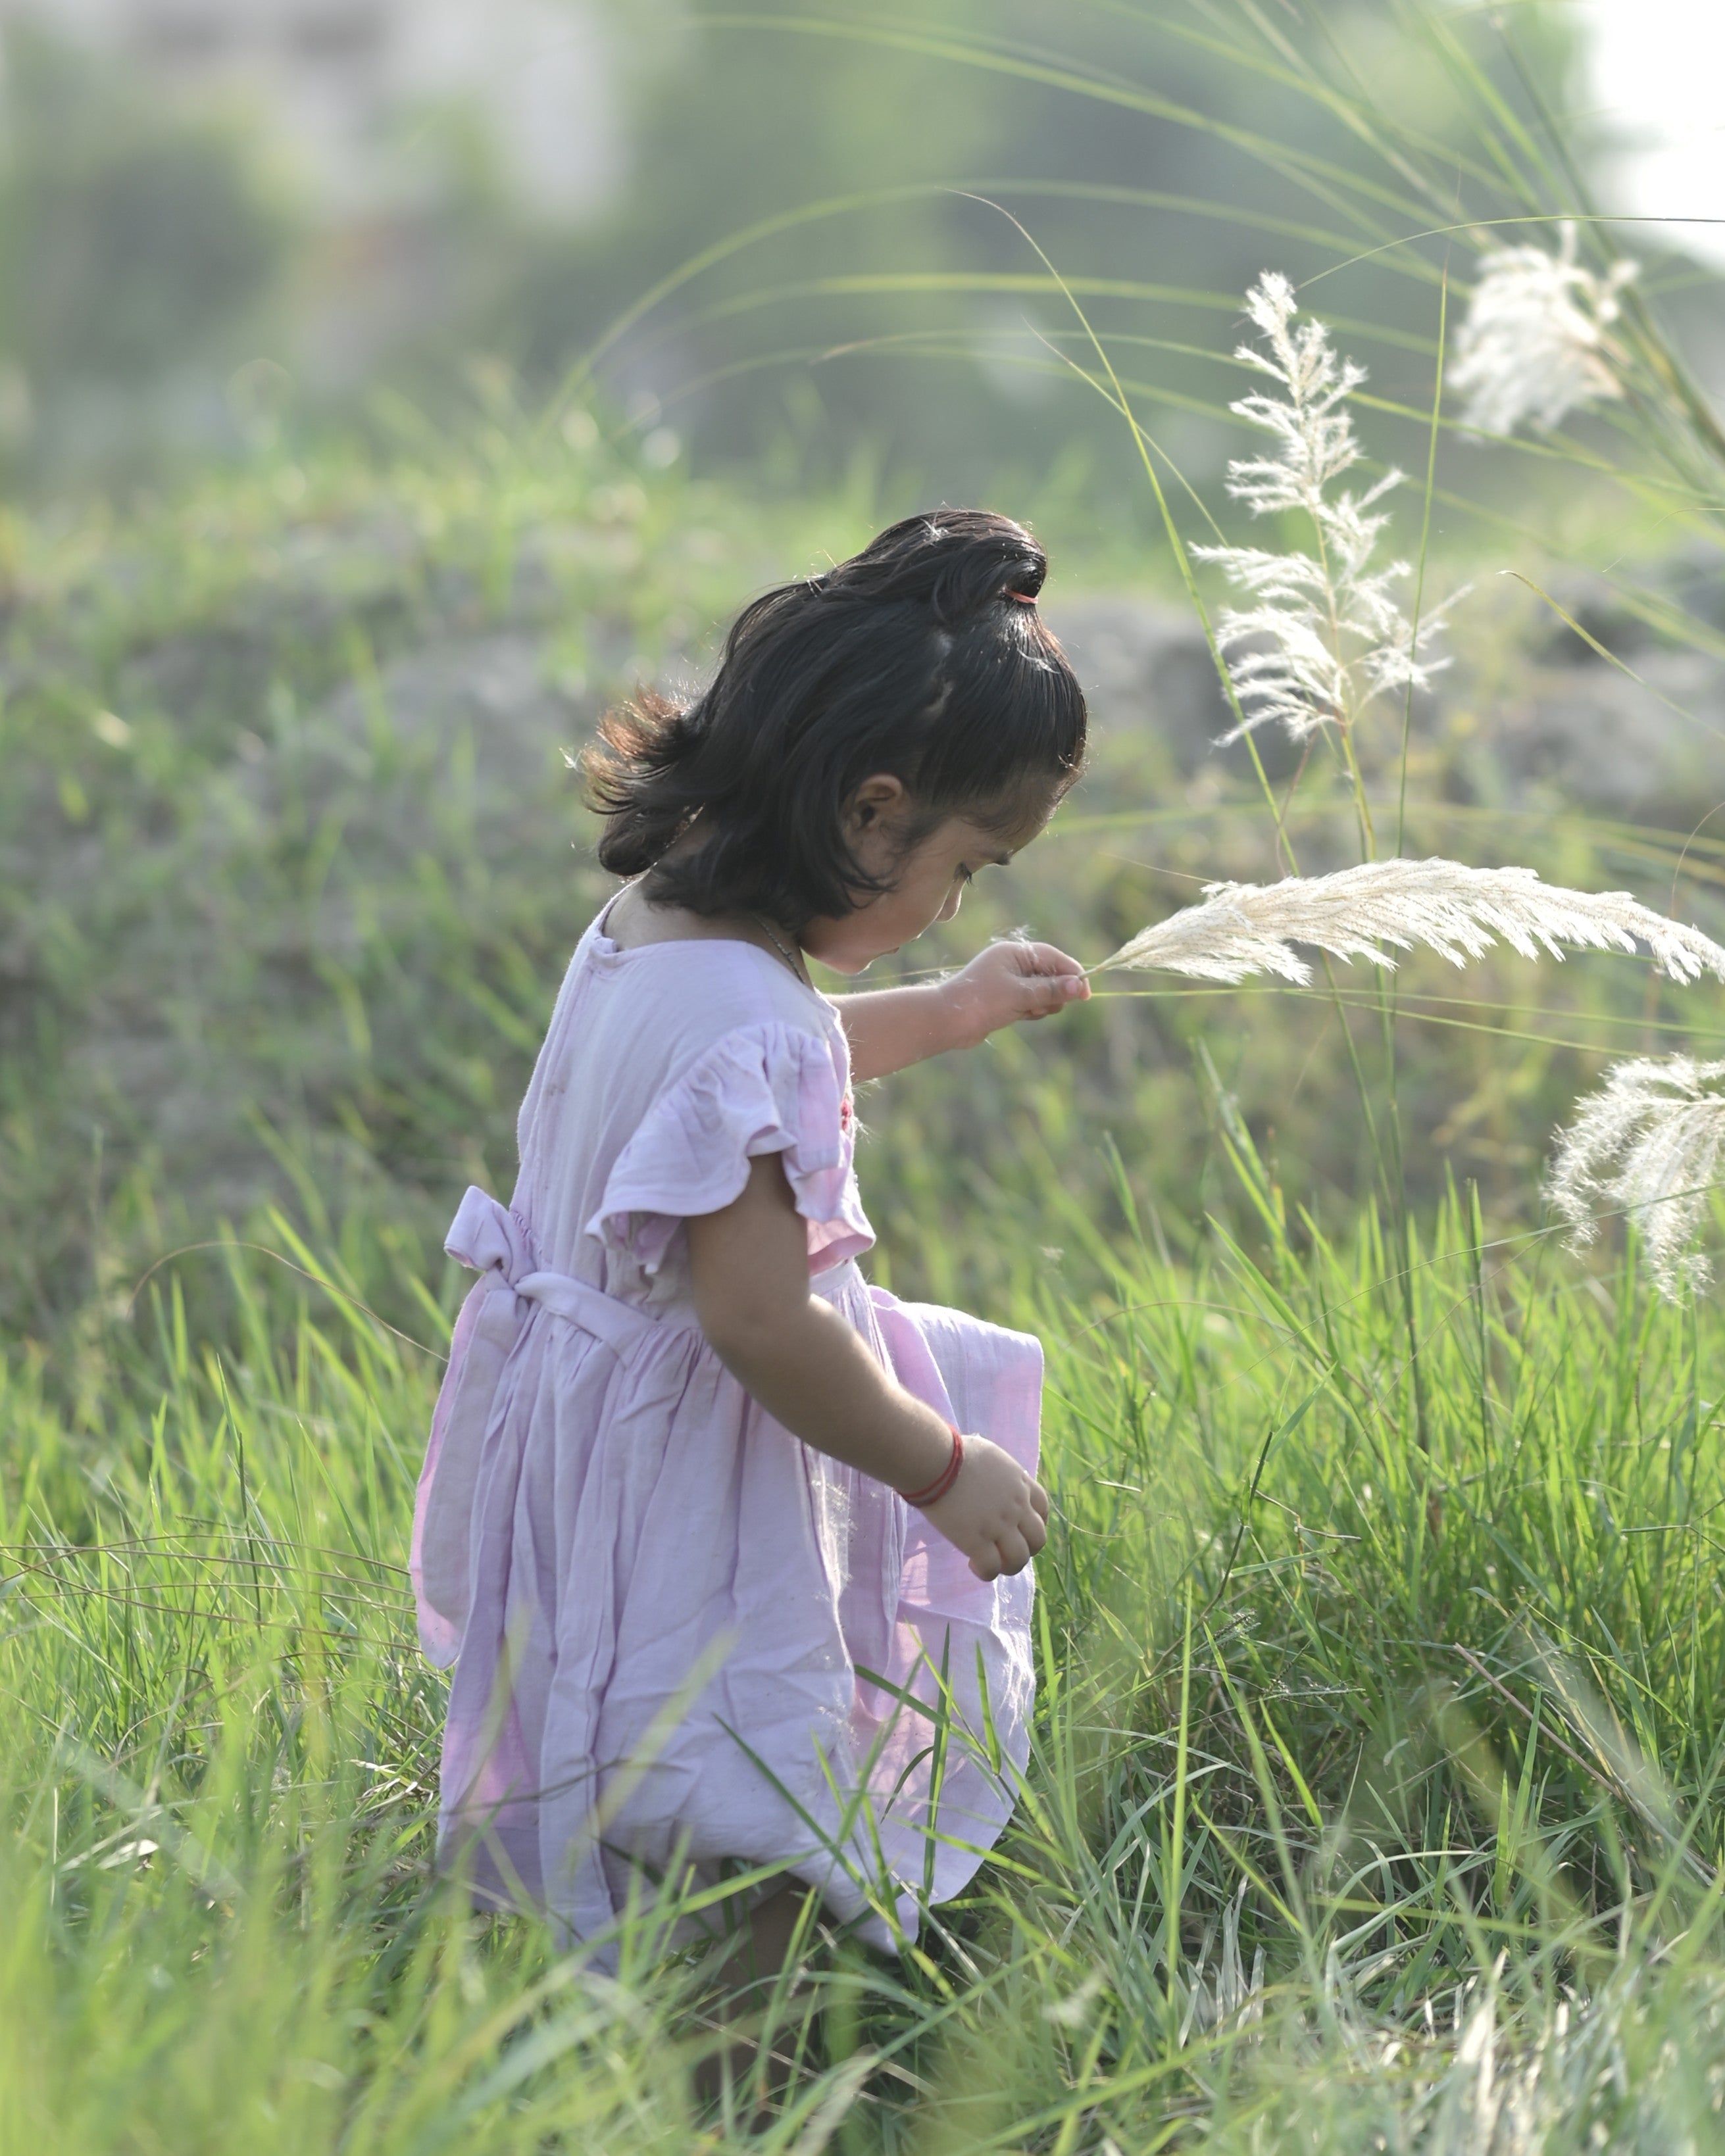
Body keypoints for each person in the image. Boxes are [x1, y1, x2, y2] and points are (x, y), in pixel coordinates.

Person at [411, 508, 1091, 1983]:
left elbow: (766, 1066)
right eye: (966, 868)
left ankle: (584, 2002)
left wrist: (955, 1005)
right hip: (691, 1487)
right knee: (731, 1789)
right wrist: (938, 1464)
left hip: (585, 1437)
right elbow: (763, 1322)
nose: (954, 907)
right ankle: (745, 2066)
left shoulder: (659, 932)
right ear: (871, 813)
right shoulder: (745, 1018)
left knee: (617, 1748)